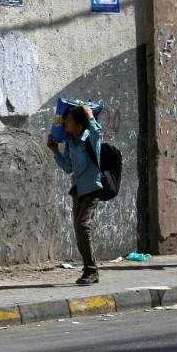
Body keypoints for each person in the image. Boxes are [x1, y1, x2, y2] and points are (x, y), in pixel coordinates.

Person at [47, 102, 103, 285]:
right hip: (78, 190)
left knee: (82, 225)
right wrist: (55, 152)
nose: (65, 123)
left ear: (79, 125)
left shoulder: (90, 138)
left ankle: (91, 270)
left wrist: (90, 116)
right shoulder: (70, 143)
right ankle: (90, 269)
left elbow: (98, 132)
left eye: (69, 121)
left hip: (92, 189)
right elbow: (69, 167)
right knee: (79, 230)